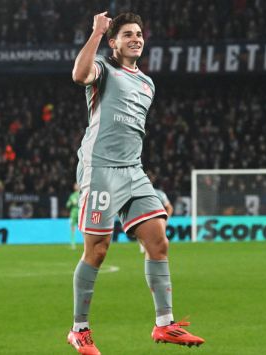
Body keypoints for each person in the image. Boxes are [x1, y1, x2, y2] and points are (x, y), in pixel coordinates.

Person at [67, 11, 205, 354]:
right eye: (128, 34)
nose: (136, 38)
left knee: (158, 241)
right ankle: (79, 330)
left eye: (139, 33)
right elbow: (79, 74)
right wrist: (97, 33)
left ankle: (165, 325)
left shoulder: (147, 83)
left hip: (133, 170)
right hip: (100, 168)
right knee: (97, 251)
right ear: (114, 42)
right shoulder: (104, 68)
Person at [66, 183, 81, 249]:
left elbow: (68, 205)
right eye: (76, 185)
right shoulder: (74, 195)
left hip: (79, 213)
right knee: (73, 229)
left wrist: (71, 203)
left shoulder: (80, 195)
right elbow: (68, 205)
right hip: (75, 214)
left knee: (82, 229)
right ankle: (73, 244)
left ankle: (74, 244)